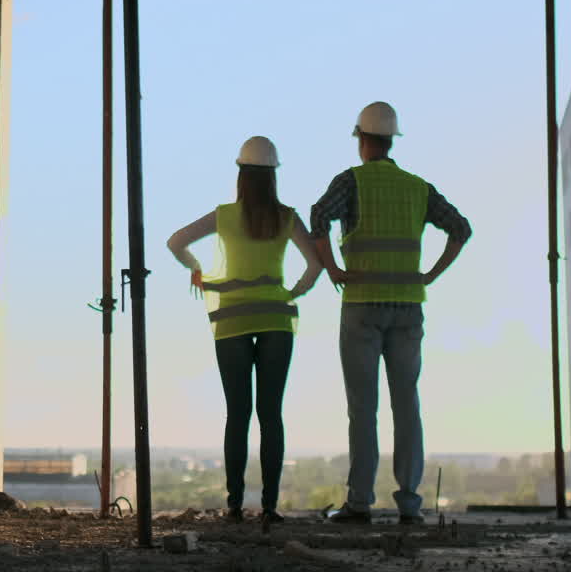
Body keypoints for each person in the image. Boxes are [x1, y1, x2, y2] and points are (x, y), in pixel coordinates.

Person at [309, 102, 471, 525]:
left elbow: (318, 217)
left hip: (362, 306)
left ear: (362, 141)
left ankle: (360, 502)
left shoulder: (352, 182)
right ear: (391, 141)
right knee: (407, 405)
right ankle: (410, 504)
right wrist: (430, 274)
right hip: (408, 308)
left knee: (363, 409)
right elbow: (461, 229)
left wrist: (333, 269)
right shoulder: (418, 187)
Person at [167, 136, 322, 523]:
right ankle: (269, 507)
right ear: (273, 177)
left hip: (232, 321)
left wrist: (196, 269)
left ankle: (234, 505)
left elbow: (176, 241)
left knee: (237, 413)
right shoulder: (286, 217)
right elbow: (315, 265)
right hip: (276, 319)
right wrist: (292, 292)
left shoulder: (223, 216)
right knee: (271, 414)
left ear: (241, 175)